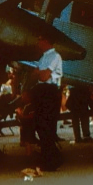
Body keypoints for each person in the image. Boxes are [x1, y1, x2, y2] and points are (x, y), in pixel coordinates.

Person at [31, 34, 63, 170]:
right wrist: (40, 73)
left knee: (47, 125)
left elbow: (43, 76)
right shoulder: (43, 57)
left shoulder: (55, 56)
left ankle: (53, 159)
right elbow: (34, 74)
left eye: (40, 40)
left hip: (49, 91)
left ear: (46, 41)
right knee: (40, 125)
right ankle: (48, 157)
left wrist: (39, 72)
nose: (38, 42)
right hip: (42, 90)